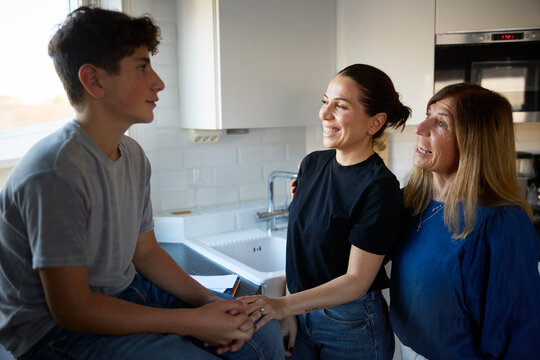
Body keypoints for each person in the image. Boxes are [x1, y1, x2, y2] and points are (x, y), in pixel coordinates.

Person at [0, 6, 283, 360]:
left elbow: (145, 252)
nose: (158, 81)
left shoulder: (132, 154)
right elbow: (72, 309)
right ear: (94, 80)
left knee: (261, 328)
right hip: (54, 332)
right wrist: (191, 322)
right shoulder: (55, 172)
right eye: (141, 66)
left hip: (126, 292)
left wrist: (211, 302)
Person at [241, 64, 411, 359]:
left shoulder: (378, 188)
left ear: (374, 123)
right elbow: (302, 250)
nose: (324, 113)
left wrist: (283, 306)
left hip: (350, 323)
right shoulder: (312, 164)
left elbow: (356, 281)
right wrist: (292, 309)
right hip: (302, 314)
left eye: (340, 106)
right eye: (325, 101)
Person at [389, 83, 540, 359]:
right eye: (427, 115)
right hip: (402, 351)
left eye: (441, 123)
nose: (419, 129)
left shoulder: (503, 223)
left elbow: (518, 336)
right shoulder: (410, 201)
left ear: (474, 141)